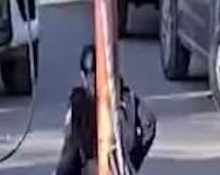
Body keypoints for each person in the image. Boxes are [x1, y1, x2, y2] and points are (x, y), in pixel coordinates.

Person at [56, 44, 156, 175]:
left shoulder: (81, 103)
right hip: (116, 165)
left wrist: (132, 160)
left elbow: (70, 146)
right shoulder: (126, 97)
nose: (93, 81)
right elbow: (149, 124)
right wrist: (132, 161)